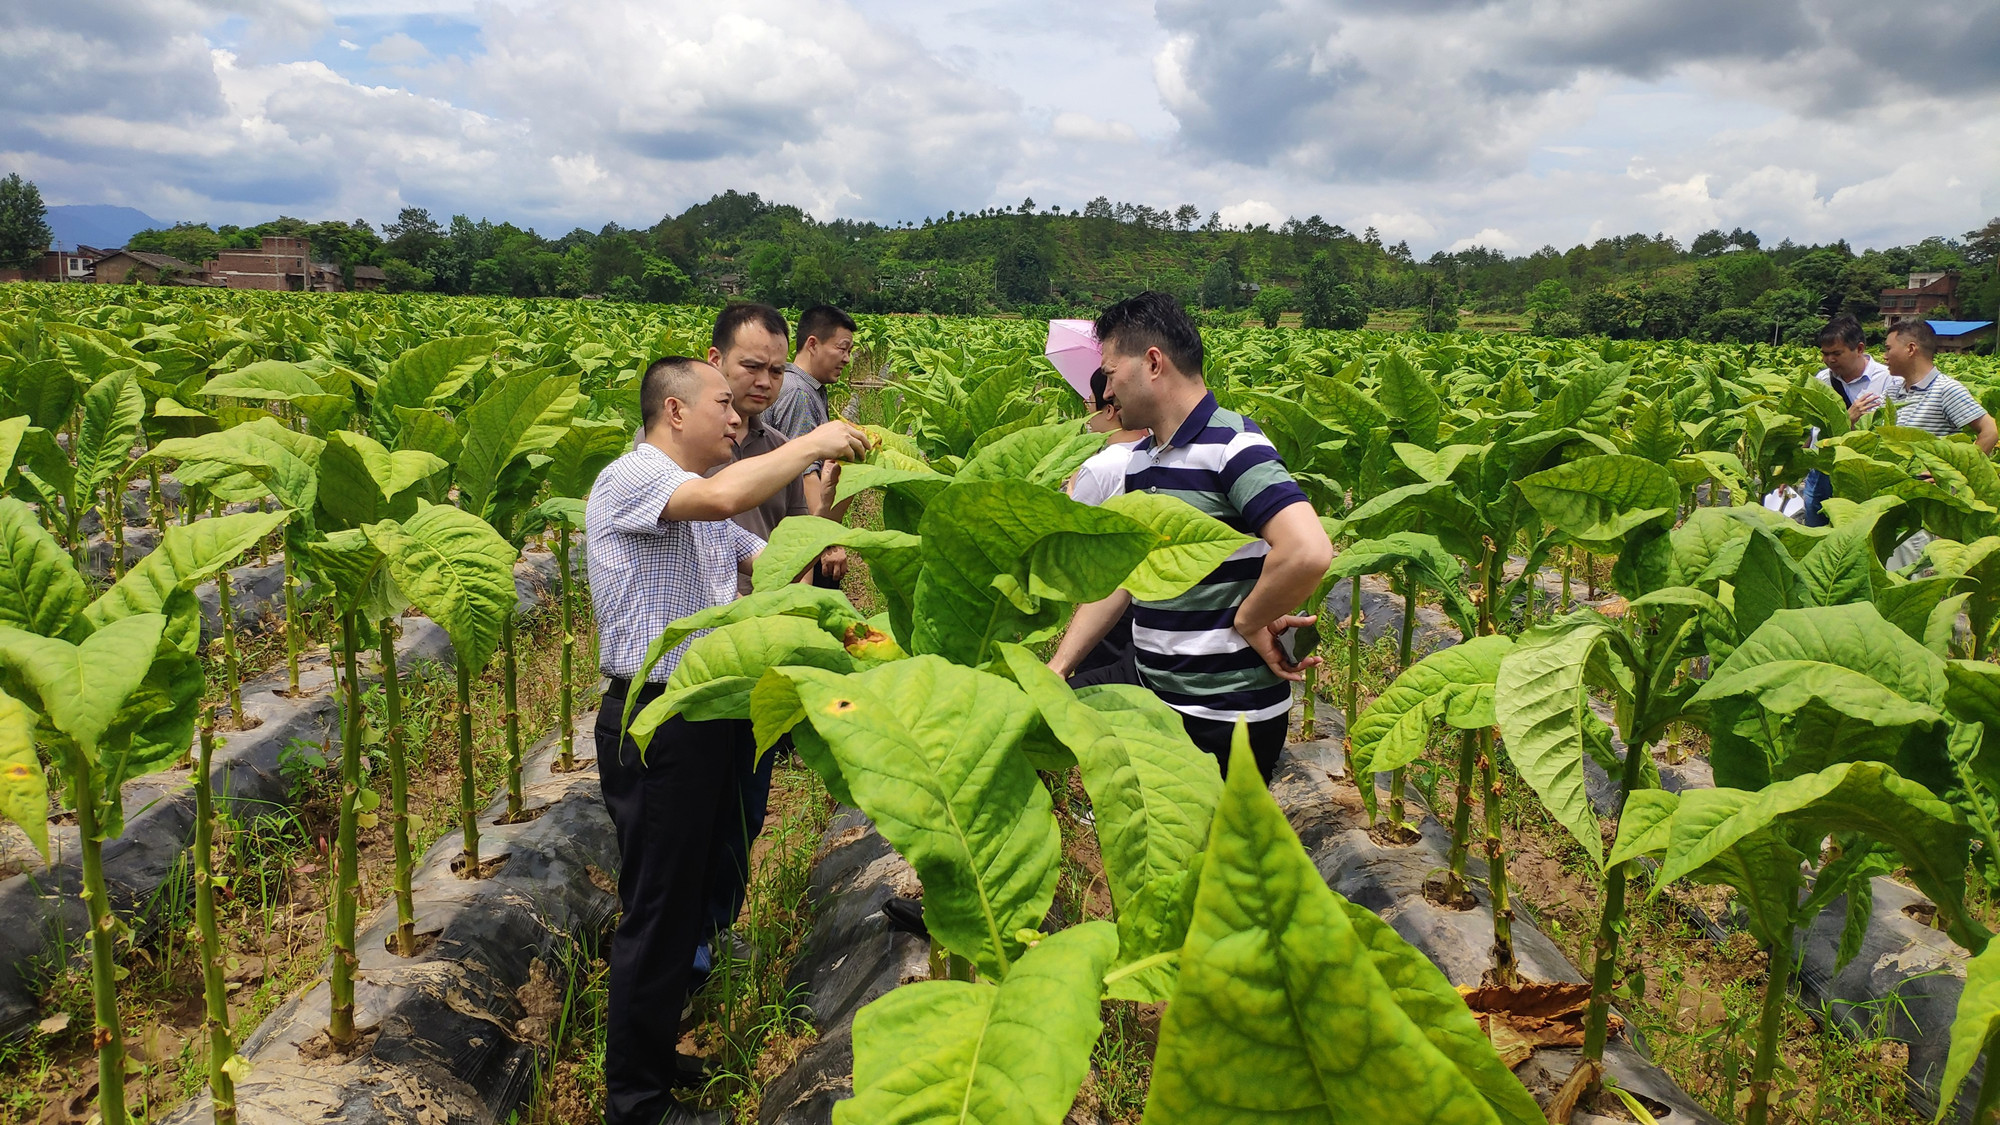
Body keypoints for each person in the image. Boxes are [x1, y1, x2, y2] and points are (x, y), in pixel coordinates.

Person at [586, 356, 867, 1125]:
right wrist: (813, 444)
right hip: (658, 719)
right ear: (674, 410)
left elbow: (778, 578)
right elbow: (727, 493)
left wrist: (824, 532)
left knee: (692, 899)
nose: (738, 419)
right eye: (724, 405)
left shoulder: (706, 517)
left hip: (709, 717)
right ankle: (636, 1102)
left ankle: (653, 1053)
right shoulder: (636, 477)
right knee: (657, 906)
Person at [1047, 292, 1333, 781]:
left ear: (1153, 363)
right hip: (1158, 701)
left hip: (1227, 716)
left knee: (1218, 855)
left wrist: (1250, 619)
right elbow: (1128, 575)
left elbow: (1307, 550)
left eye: (1111, 373)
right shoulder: (1143, 461)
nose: (1107, 393)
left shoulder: (1234, 446)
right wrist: (1058, 668)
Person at [1882, 319, 1999, 568]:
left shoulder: (1947, 389)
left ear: (1911, 349)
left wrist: (1952, 474)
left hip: (1926, 508)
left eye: (1889, 348)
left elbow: (1989, 430)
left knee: (1911, 574)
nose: (1884, 356)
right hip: (1895, 498)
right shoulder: (1894, 391)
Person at [1061, 367, 1150, 688]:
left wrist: (1070, 487)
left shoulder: (1099, 467)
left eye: (1089, 405)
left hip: (1106, 599)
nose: (1086, 417)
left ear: (1109, 410)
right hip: (1150, 603)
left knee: (1097, 690)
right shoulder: (1157, 453)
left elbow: (1072, 533)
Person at [764, 304, 858, 588]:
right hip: (796, 533)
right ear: (813, 344)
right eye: (842, 348)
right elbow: (805, 471)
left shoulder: (804, 387)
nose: (847, 359)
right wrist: (825, 543)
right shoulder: (799, 395)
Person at [1799, 316, 1891, 526]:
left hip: (1859, 473)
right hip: (1822, 469)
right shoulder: (1822, 379)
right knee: (1816, 533)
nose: (1829, 359)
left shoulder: (1887, 379)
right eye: (1824, 353)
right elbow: (1815, 428)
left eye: (1836, 353)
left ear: (1859, 349)